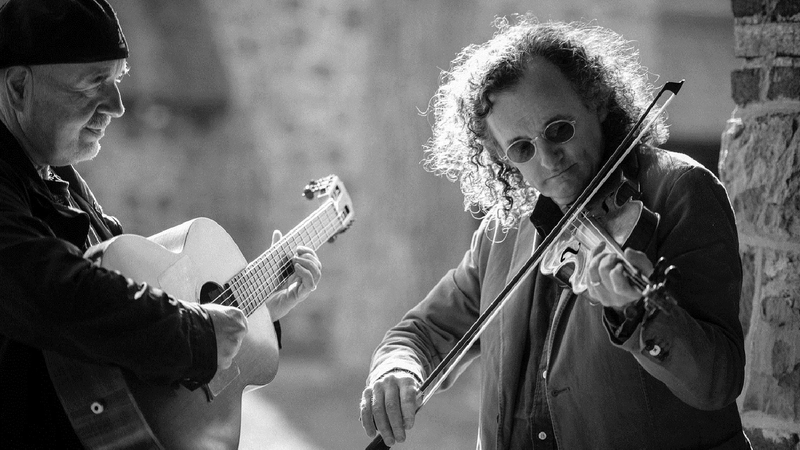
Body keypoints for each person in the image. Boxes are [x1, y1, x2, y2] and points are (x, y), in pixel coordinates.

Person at [360, 15, 751, 450]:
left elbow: (716, 382)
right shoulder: (506, 233)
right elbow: (422, 332)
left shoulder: (680, 192)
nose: (548, 159)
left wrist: (639, 315)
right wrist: (396, 368)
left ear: (597, 101)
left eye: (558, 129)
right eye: (522, 148)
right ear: (502, 157)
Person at [0, 0, 322, 448]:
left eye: (117, 81)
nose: (116, 106)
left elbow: (131, 300)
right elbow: (54, 289)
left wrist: (253, 315)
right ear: (18, 87)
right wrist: (194, 332)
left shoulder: (55, 174)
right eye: (95, 81)